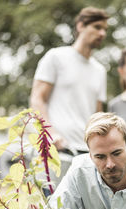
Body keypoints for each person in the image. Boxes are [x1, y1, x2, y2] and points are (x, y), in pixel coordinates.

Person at [30, 7, 108, 178]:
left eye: (105, 29)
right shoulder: (56, 57)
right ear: (81, 26)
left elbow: (98, 114)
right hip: (58, 150)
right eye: (97, 27)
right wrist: (50, 135)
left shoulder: (100, 70)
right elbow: (37, 99)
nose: (102, 33)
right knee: (53, 204)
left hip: (87, 153)